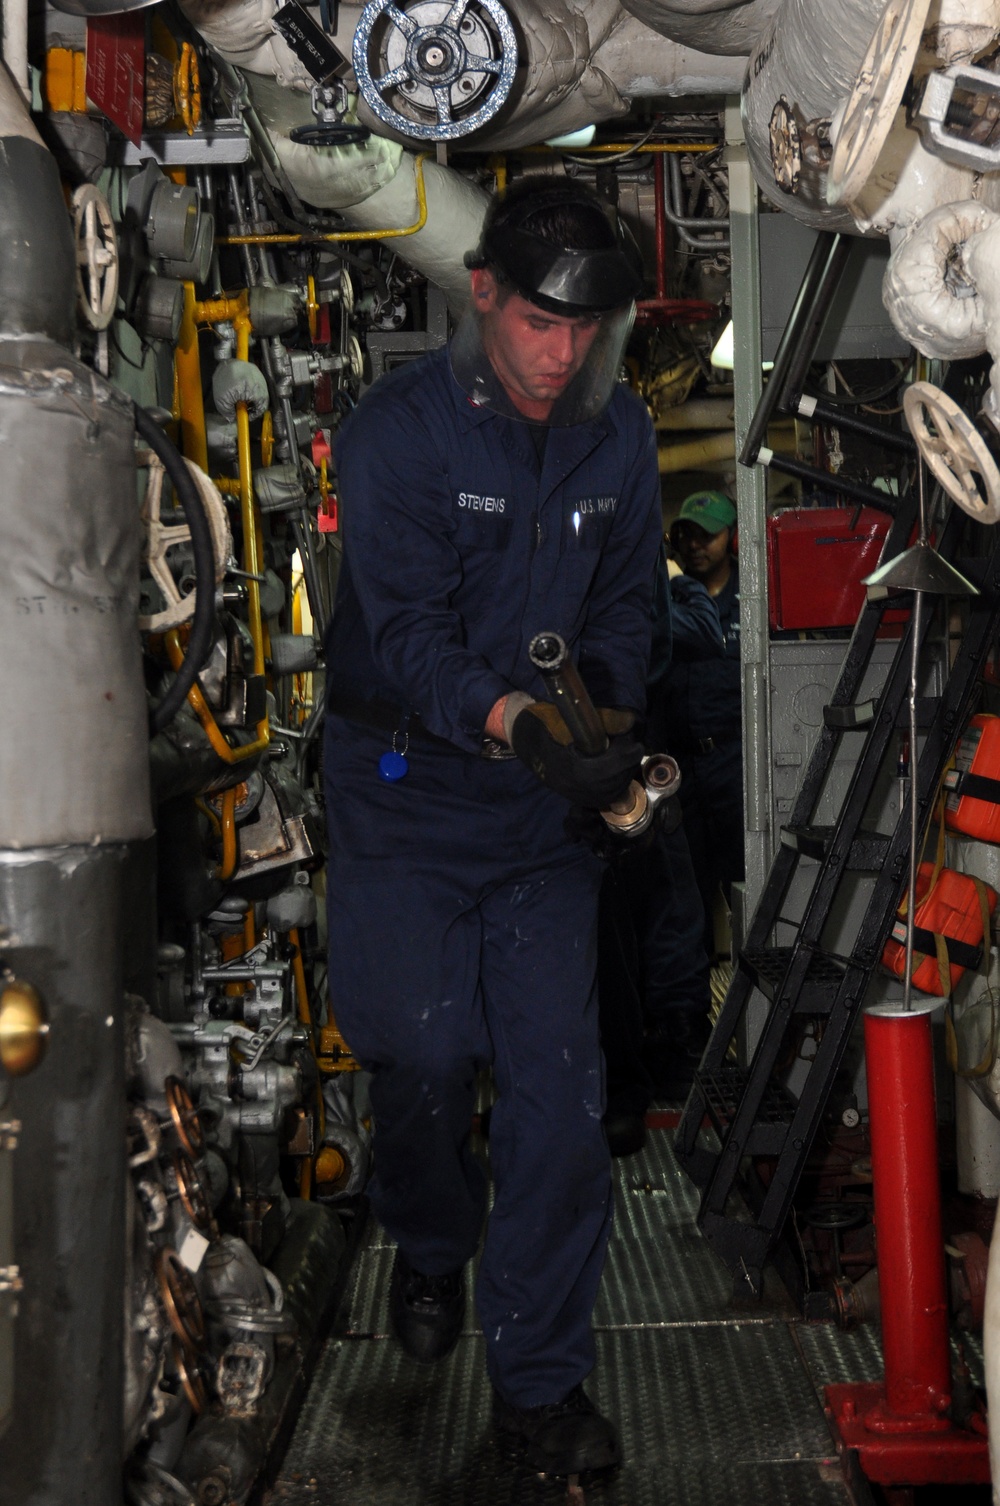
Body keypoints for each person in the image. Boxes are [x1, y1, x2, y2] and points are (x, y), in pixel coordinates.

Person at [321, 177, 662, 1477]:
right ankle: (427, 1235)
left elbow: (630, 593)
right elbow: (401, 635)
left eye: (586, 329)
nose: (559, 354)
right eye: (535, 321)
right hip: (405, 791)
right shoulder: (398, 434)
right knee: (417, 1048)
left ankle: (537, 1392)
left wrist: (606, 718)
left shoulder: (617, 434)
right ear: (482, 295)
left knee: (558, 1107)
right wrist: (519, 717)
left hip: (536, 821)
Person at [600, 540, 723, 1154]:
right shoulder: (646, 569)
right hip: (616, 748)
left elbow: (688, 638)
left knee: (664, 899)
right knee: (651, 903)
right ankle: (661, 1042)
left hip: (635, 753)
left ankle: (669, 1038)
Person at [659, 490, 743, 960]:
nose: (695, 546)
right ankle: (692, 1016)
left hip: (733, 765)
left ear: (731, 538)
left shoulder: (752, 600)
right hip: (677, 769)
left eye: (707, 535)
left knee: (747, 888)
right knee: (683, 897)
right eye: (687, 535)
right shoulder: (666, 597)